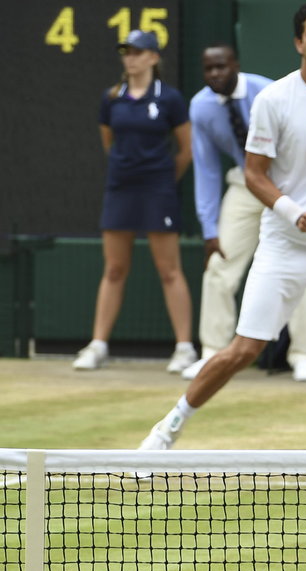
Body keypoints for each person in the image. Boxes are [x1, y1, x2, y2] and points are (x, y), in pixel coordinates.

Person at [138, 2, 306, 468]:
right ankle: (166, 430)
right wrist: (292, 211)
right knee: (244, 349)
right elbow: (254, 174)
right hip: (286, 243)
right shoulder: (274, 100)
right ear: (298, 43)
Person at [187, 43, 306, 382]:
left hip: (290, 185)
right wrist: (208, 227)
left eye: (221, 67)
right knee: (219, 265)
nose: (215, 75)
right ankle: (212, 354)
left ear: (236, 64)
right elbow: (206, 169)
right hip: (245, 185)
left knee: (304, 267)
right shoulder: (201, 108)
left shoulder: (270, 92)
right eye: (209, 69)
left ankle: (304, 354)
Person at [74, 29, 197, 373]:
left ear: (153, 58)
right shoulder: (111, 98)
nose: (131, 57)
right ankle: (98, 345)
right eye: (126, 51)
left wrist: (161, 180)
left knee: (169, 270)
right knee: (113, 269)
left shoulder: (170, 99)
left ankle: (184, 348)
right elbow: (109, 143)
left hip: (158, 190)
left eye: (138, 51)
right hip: (120, 188)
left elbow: (186, 150)